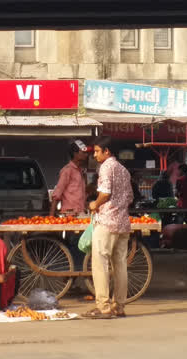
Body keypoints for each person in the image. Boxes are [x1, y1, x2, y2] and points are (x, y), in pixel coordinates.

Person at [84, 136, 134, 319]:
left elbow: (105, 193)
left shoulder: (106, 167)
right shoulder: (123, 170)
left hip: (106, 222)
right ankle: (119, 307)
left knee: (100, 264)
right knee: (120, 265)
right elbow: (129, 197)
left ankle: (103, 307)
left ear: (107, 152)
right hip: (122, 222)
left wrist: (94, 204)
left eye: (97, 151)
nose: (95, 155)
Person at [50, 140, 89, 215]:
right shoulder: (67, 170)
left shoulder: (81, 171)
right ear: (75, 154)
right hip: (69, 214)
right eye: (83, 152)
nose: (86, 155)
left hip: (80, 213)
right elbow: (57, 194)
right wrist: (51, 217)